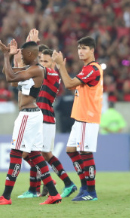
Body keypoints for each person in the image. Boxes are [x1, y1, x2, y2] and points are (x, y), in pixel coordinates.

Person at [0, 39, 61, 205]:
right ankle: (54, 194)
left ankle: (5, 196)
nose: (20, 55)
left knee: (15, 153)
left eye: (22, 53)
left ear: (29, 54)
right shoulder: (29, 69)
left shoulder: (36, 69)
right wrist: (11, 57)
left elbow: (9, 77)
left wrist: (6, 55)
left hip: (28, 116)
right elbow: (11, 77)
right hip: (33, 115)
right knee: (35, 155)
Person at [17, 33, 77, 199]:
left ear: (53, 63)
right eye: (41, 60)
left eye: (45, 61)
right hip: (43, 118)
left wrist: (33, 45)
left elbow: (32, 66)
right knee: (42, 154)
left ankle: (47, 182)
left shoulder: (52, 74)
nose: (42, 64)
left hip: (44, 118)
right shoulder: (43, 74)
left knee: (29, 153)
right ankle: (61, 183)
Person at [52, 36, 103, 202]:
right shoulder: (86, 69)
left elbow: (68, 84)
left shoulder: (92, 69)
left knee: (85, 153)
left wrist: (60, 65)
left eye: (85, 48)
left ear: (92, 50)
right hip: (80, 117)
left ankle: (91, 192)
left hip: (87, 117)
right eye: (79, 48)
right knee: (71, 151)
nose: (81, 51)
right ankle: (84, 187)